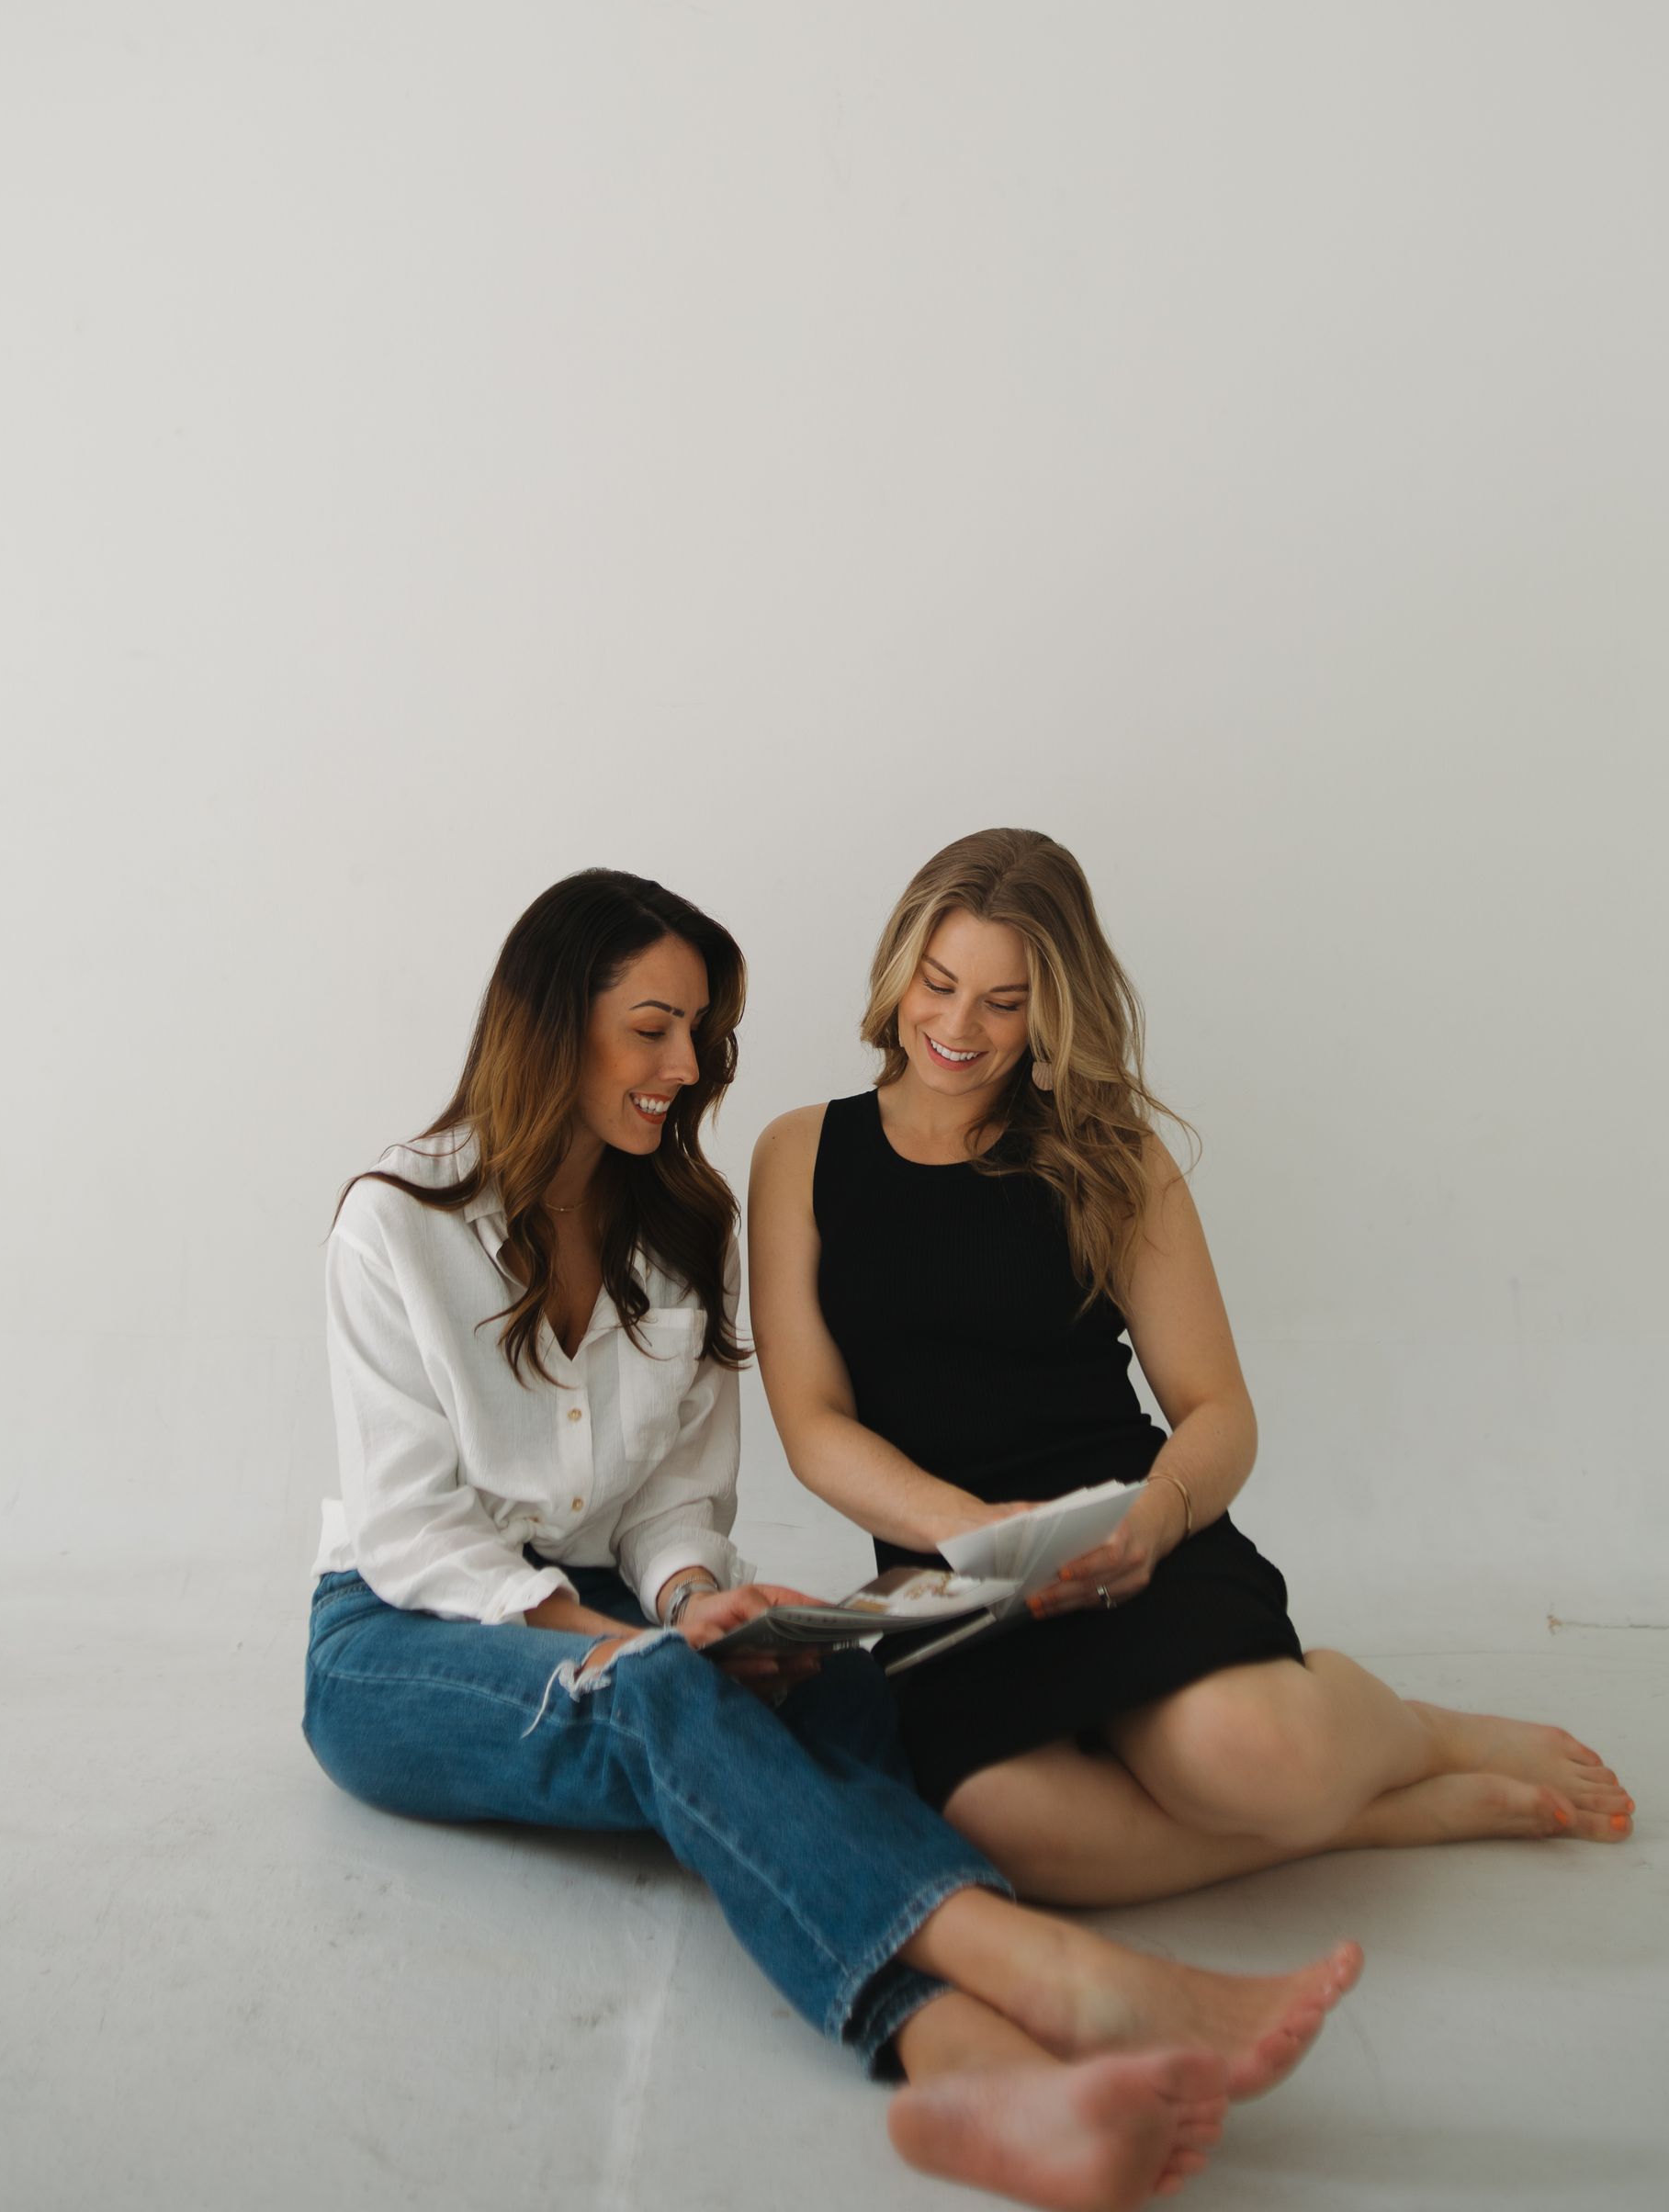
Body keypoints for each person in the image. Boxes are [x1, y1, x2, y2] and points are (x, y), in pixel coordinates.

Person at [302, 867, 1363, 2212]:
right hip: (401, 1640)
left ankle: (974, 2074)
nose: (689, 1067)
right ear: (552, 1020)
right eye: (654, 1027)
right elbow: (414, 1546)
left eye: (700, 1033)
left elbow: (674, 1508)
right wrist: (644, 1641)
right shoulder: (395, 1225)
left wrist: (693, 1594)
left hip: (608, 1621)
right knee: (666, 1687)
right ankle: (1061, 1978)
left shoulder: (681, 1230)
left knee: (855, 1689)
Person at [749, 829, 1635, 1909]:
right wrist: (969, 1531)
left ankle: (1409, 1731)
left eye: (1005, 1000)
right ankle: (1383, 1815)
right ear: (899, 969)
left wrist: (1158, 1518)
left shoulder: (1111, 1154)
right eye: (939, 984)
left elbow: (1218, 1410)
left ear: (1054, 1007)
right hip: (952, 1575)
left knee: (1246, 1759)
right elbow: (812, 1425)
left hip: (1127, 1532)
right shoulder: (800, 1152)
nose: (958, 1027)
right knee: (1010, 1832)